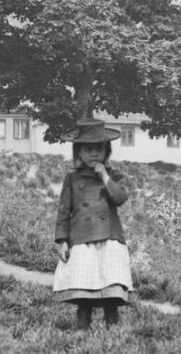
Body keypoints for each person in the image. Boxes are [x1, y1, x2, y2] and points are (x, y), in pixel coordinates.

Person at [52, 119, 134, 330]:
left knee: (110, 286)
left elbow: (119, 198)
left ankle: (112, 327)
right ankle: (82, 327)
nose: (94, 154)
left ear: (106, 151)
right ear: (79, 152)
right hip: (81, 239)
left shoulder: (115, 175)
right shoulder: (72, 178)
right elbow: (63, 211)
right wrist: (62, 240)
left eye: (99, 149)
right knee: (84, 289)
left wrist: (104, 175)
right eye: (88, 150)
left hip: (109, 239)